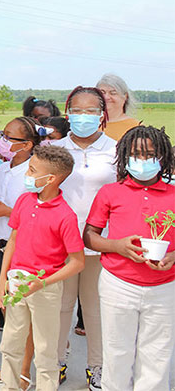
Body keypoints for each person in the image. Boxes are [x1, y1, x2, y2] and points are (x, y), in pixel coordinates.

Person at [84, 126, 175, 390]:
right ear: (125, 156)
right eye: (136, 154)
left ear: (162, 156)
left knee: (157, 355)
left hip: (164, 287)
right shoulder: (111, 192)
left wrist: (172, 256)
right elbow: (89, 236)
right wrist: (117, 246)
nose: (143, 160)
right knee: (117, 352)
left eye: (149, 154)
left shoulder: (172, 194)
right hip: (119, 284)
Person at [0, 145, 85, 391]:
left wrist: (43, 283)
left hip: (44, 288)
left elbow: (77, 262)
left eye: (33, 170)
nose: (28, 173)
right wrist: (4, 279)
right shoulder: (24, 200)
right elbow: (13, 240)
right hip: (16, 281)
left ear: (51, 179)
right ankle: (11, 386)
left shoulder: (65, 216)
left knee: (46, 347)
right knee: (11, 342)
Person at [52, 86, 117, 390]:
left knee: (95, 308)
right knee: (62, 306)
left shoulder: (116, 150)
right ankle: (56, 362)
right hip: (61, 242)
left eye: (91, 111)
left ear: (102, 115)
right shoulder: (56, 149)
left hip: (100, 241)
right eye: (77, 110)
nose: (83, 117)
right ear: (67, 112)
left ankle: (98, 367)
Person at [0, 116, 43, 388]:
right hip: (1, 244)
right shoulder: (4, 168)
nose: (3, 142)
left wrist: (5, 210)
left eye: (10, 138)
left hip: (25, 247)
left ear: (27, 144)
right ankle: (11, 369)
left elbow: (38, 211)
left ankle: (23, 371)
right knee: (11, 311)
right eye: (3, 135)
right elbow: (2, 203)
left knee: (22, 315)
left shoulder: (35, 170)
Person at [96, 73, 141, 141]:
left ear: (125, 97)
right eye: (102, 92)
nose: (106, 97)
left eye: (113, 93)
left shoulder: (136, 127)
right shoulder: (89, 124)